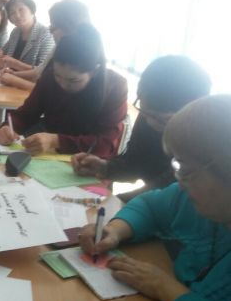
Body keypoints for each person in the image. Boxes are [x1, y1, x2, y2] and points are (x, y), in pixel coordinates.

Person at [79, 94, 231, 301]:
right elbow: (150, 206)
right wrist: (115, 230)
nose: (180, 183)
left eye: (186, 170)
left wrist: (164, 287)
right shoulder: (200, 202)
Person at [72, 55, 211, 200]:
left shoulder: (204, 146)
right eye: (145, 112)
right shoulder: (151, 113)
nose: (150, 122)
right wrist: (104, 167)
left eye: (162, 119)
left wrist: (116, 201)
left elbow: (166, 190)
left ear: (191, 112)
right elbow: (135, 162)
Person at [0, 24, 128, 158]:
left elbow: (105, 144)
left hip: (90, 162)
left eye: (73, 80)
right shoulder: (49, 77)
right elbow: (26, 114)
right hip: (50, 155)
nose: (63, 84)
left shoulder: (115, 87)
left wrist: (56, 141)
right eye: (58, 76)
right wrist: (7, 127)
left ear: (95, 71)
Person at [0, 0, 90, 90]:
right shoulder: (59, 46)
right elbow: (39, 72)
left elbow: (53, 92)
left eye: (54, 28)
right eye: (12, 13)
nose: (50, 31)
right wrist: (13, 74)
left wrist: (14, 79)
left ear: (68, 27)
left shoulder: (81, 52)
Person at [0, 0, 54, 84]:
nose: (17, 15)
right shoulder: (15, 31)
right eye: (12, 13)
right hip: (8, 79)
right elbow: (3, 53)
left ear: (31, 10)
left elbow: (44, 72)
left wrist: (16, 64)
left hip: (30, 84)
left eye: (21, 10)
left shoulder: (46, 34)